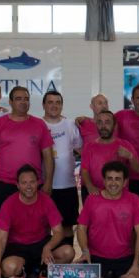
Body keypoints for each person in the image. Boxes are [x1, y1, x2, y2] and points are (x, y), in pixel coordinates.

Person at [0, 165, 75, 278]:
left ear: (38, 183)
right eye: (24, 183)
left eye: (32, 182)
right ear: (18, 185)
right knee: (9, 267)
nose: (29, 186)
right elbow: (1, 239)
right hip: (17, 247)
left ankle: (39, 271)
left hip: (41, 243)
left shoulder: (46, 200)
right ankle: (22, 272)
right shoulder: (8, 204)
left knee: (68, 252)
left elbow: (59, 231)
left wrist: (47, 247)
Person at [0, 86, 54, 223]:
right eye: (18, 99)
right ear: (10, 102)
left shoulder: (39, 124)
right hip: (5, 185)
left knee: (36, 227)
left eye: (26, 99)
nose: (23, 102)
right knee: (3, 228)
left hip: (33, 186)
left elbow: (48, 156)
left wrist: (48, 183)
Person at [76, 161, 139, 278]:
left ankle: (115, 276)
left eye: (117, 179)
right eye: (109, 179)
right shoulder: (92, 199)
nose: (113, 183)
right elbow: (81, 228)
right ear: (103, 180)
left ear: (125, 182)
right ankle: (107, 277)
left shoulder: (133, 200)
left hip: (124, 258)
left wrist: (136, 263)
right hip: (96, 257)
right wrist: (85, 251)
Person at [41, 90, 82, 245]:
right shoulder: (38, 124)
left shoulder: (71, 125)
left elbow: (82, 149)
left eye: (58, 102)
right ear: (44, 105)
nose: (54, 105)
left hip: (67, 185)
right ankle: (43, 263)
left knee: (66, 226)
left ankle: (66, 260)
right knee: (43, 226)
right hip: (44, 186)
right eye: (50, 102)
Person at [80, 110, 139, 200]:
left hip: (119, 194)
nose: (103, 126)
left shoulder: (125, 145)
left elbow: (138, 169)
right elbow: (84, 171)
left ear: (114, 125)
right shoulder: (89, 146)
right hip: (95, 194)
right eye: (100, 122)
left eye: (107, 122)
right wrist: (90, 187)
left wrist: (130, 156)